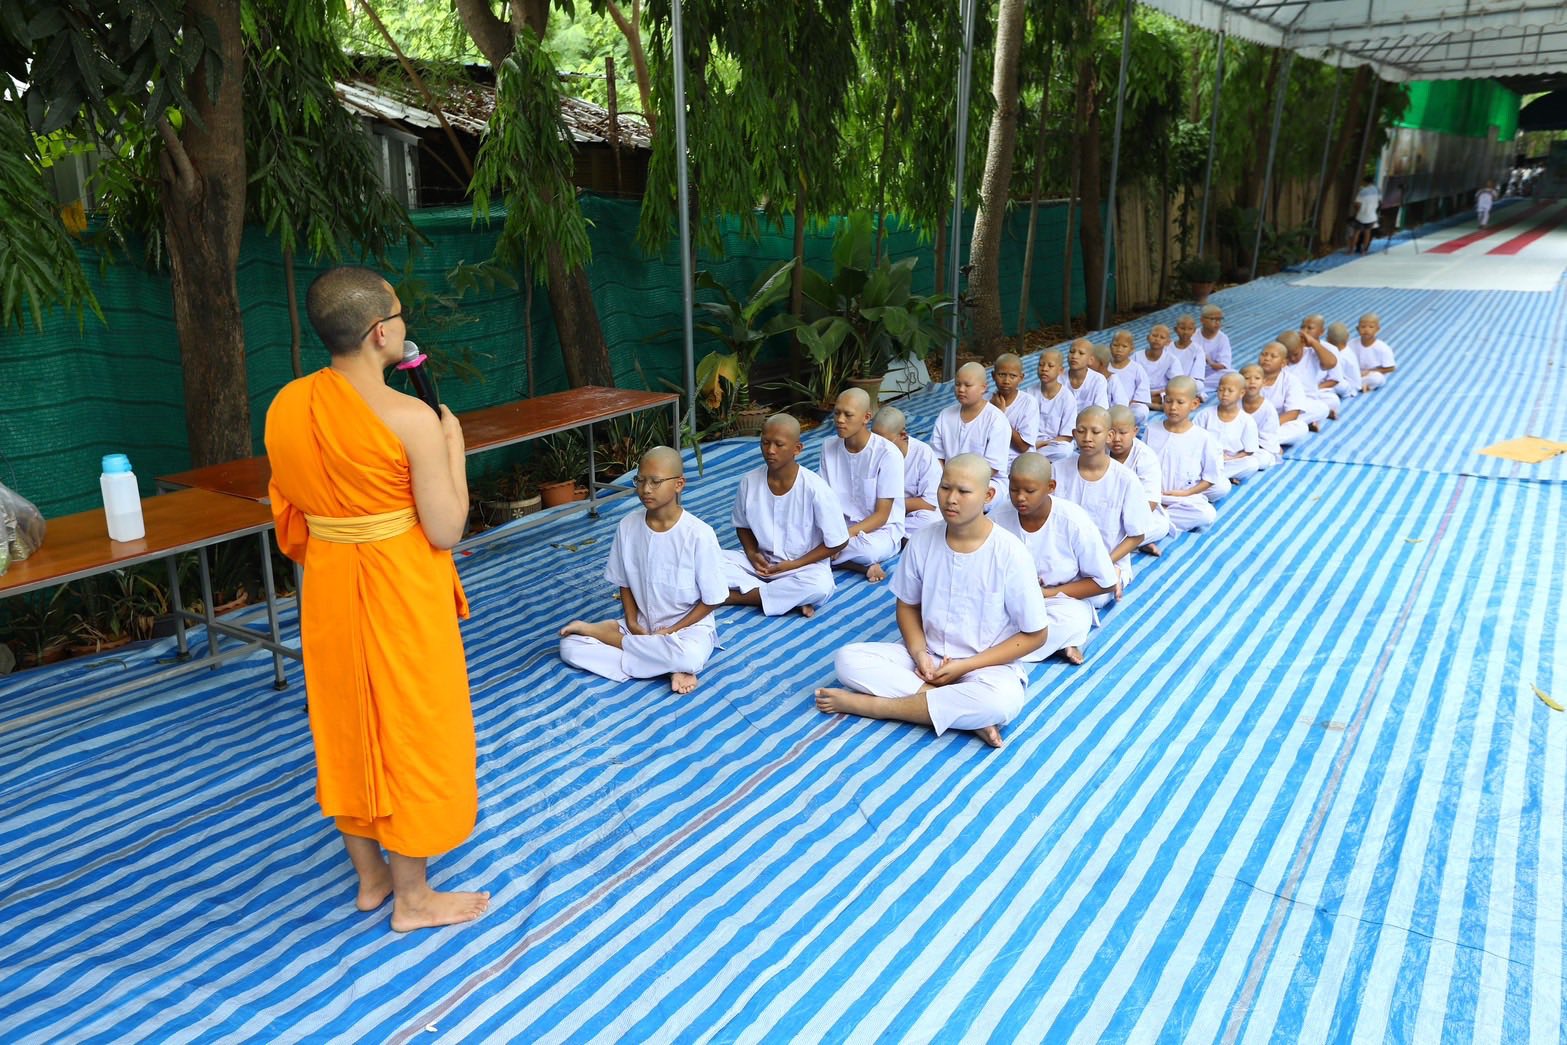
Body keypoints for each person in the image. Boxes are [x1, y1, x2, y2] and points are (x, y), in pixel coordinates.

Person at [265, 265, 488, 932]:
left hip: (330, 581)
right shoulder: (410, 417)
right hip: (397, 584)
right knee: (409, 723)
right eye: (399, 315)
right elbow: (446, 526)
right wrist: (453, 449)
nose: (404, 325)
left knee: (346, 721)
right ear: (378, 332)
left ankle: (370, 877)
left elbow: (292, 506)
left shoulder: (285, 405)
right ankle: (413, 897)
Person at [813, 454, 1049, 749]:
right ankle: (955, 714)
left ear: (988, 495)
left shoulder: (1011, 553)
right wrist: (920, 653)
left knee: (1002, 704)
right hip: (925, 659)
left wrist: (966, 666)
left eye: (963, 492)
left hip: (985, 666)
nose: (951, 499)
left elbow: (1037, 634)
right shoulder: (922, 540)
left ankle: (871, 706)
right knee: (847, 660)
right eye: (945, 488)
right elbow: (908, 605)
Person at [560, 446, 728, 694]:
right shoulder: (627, 526)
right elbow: (624, 581)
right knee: (570, 647)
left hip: (688, 632)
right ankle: (664, 663)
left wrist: (673, 630)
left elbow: (713, 600)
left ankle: (617, 641)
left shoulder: (699, 534)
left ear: (679, 484)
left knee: (690, 657)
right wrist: (631, 620)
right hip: (641, 625)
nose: (646, 489)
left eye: (655, 481)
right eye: (640, 480)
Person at [992, 453, 1118, 666]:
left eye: (1029, 491)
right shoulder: (997, 519)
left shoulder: (1073, 521)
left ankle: (996, 652)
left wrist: (1046, 593)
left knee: (1072, 620)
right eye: (1014, 490)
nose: (1020, 497)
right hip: (1010, 600)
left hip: (1059, 600)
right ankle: (1047, 646)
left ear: (1051, 486)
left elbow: (1105, 583)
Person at [723, 414, 849, 617]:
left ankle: (737, 597)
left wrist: (795, 564)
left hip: (802, 568)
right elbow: (742, 525)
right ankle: (786, 600)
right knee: (709, 560)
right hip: (761, 565)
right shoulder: (749, 481)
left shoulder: (815, 488)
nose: (770, 450)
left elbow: (839, 542)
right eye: (765, 443)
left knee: (820, 586)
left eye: (779, 445)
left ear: (797, 449)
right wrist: (752, 554)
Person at [1053, 406, 1148, 605]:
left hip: (1107, 558)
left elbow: (1137, 534)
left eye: (1095, 432)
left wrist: (1106, 562)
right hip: (1062, 555)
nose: (1087, 437)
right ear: (1073, 434)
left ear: (1109, 435)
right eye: (1081, 431)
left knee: (1096, 599)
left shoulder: (1125, 480)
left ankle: (1114, 573)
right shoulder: (1057, 470)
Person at [819, 388, 905, 583]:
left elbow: (882, 516)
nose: (840, 420)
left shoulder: (888, 454)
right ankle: (854, 564)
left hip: (879, 531)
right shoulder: (828, 447)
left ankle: (824, 557)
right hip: (839, 527)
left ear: (866, 417)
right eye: (836, 413)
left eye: (848, 415)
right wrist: (831, 534)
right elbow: (824, 501)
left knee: (867, 551)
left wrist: (841, 540)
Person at [1145, 376, 1225, 531]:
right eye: (1168, 401)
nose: (1173, 407)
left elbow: (1209, 478)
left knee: (1206, 514)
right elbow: (1141, 465)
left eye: (1180, 402)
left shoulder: (1203, 438)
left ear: (1194, 404)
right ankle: (1157, 522)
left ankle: (1156, 522)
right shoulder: (1151, 429)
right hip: (1153, 496)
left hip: (1184, 498)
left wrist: (1185, 493)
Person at [930, 361, 1012, 498]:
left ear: (983, 388)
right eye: (957, 384)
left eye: (967, 385)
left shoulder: (996, 419)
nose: (961, 389)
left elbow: (992, 468)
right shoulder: (945, 415)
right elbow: (937, 457)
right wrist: (947, 482)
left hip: (986, 482)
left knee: (969, 499)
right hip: (948, 480)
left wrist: (959, 484)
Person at [1106, 405, 1172, 556]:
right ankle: (1132, 545)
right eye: (1111, 433)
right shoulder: (1100, 450)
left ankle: (1123, 546)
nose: (1116, 438)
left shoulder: (1145, 457)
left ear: (1135, 431)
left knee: (1161, 525)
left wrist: (1120, 521)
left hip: (1133, 515)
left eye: (1123, 433)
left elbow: (1151, 502)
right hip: (1103, 510)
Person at [872, 405, 941, 541]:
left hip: (906, 513)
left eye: (884, 442)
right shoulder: (870, 451)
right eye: (874, 440)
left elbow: (929, 503)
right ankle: (893, 536)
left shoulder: (923, 453)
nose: (878, 446)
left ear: (903, 435)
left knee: (934, 520)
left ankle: (891, 535)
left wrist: (889, 507)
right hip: (873, 513)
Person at [1196, 372, 1263, 486]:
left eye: (1230, 391)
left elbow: (1249, 451)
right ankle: (1218, 478)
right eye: (1221, 389)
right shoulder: (1205, 414)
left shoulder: (1247, 420)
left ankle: (1211, 479)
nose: (1224, 394)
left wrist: (1227, 458)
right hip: (1206, 460)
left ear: (1241, 393)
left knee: (1253, 463)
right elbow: (1193, 440)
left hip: (1230, 461)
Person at [1256, 341, 1313, 446]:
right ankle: (1264, 443)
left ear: (1283, 363)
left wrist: (1267, 426)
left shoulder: (1291, 380)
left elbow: (1293, 413)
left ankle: (1258, 442)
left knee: (1300, 427)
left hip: (1276, 424)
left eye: (1273, 356)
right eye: (1264, 354)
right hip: (1249, 423)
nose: (1267, 358)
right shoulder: (1248, 376)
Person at [989, 352, 1039, 466]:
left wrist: (1000, 415)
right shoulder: (985, 400)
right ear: (993, 376)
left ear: (1021, 378)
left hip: (1020, 462)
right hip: (993, 460)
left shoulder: (1029, 403)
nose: (1006, 381)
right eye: (1001, 374)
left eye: (1012, 376)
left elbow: (1023, 447)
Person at [1278, 330, 1336, 427]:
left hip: (1307, 402)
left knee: (1323, 408)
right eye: (1288, 355)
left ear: (1302, 344)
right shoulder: (1278, 360)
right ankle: (1294, 423)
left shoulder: (1311, 353)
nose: (1292, 358)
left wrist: (1313, 342)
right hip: (1285, 402)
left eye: (1295, 354)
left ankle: (1286, 423)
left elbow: (1331, 363)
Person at [1032, 348, 1078, 461]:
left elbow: (1067, 436)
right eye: (1041, 365)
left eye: (1050, 366)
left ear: (1060, 370)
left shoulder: (1067, 397)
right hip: (1031, 443)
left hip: (1054, 445)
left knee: (1065, 450)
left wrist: (1043, 444)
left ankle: (1032, 458)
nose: (1044, 369)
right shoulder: (1028, 393)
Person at [1240, 364, 1284, 469]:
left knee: (1263, 460)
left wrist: (1247, 450)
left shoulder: (1268, 409)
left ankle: (1238, 467)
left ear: (1264, 382)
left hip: (1258, 448)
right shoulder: (1233, 404)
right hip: (1234, 447)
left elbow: (1268, 437)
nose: (1252, 381)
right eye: (1247, 378)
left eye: (1257, 378)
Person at [1106, 330, 1152, 427]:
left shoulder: (1136, 368)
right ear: (1110, 346)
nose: (1119, 349)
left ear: (1132, 349)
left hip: (1130, 407)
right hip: (1108, 406)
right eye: (1115, 345)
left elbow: (1142, 392)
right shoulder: (1105, 366)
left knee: (1142, 411)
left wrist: (1129, 405)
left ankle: (1124, 423)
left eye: (1124, 346)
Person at [1136, 323, 1182, 414]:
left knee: (1174, 395)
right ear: (1147, 337)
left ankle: (1148, 403)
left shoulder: (1171, 359)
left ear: (1168, 342)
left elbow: (1177, 382)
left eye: (1162, 337)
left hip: (1160, 393)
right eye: (1154, 335)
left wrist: (1160, 392)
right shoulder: (1136, 356)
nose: (1157, 339)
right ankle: (1155, 406)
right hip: (1141, 391)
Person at [1192, 305, 1234, 395]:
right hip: (1193, 375)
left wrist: (1210, 361)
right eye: (1213, 319)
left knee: (1233, 375)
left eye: (1220, 320)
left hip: (1212, 375)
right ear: (1202, 320)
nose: (1217, 323)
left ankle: (1195, 390)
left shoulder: (1223, 338)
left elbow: (1224, 365)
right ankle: (1195, 389)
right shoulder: (1193, 336)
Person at [1353, 313, 1396, 391]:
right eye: (1363, 327)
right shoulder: (1350, 344)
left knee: (1377, 379)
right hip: (1354, 373)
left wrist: (1369, 371)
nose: (1366, 330)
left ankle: (1356, 386)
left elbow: (1391, 368)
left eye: (1371, 327)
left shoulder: (1383, 348)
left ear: (1377, 329)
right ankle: (1360, 386)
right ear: (1357, 329)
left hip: (1372, 374)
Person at [1065, 338, 1110, 412]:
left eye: (1081, 353)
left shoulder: (1098, 380)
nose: (1074, 356)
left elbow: (1101, 411)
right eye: (1072, 352)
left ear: (1090, 360)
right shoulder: (1057, 378)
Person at [1323, 320, 1362, 403]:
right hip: (1352, 383)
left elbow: (1336, 378)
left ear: (1328, 339)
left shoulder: (1341, 357)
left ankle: (1344, 394)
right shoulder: (1347, 350)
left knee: (1335, 385)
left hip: (1350, 387)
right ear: (1348, 337)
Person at [1168, 314, 1207, 391]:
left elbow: (1197, 373)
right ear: (1175, 329)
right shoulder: (1168, 348)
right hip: (1171, 381)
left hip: (1189, 382)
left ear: (1194, 330)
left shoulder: (1198, 349)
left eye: (1190, 329)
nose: (1186, 332)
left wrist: (1185, 383)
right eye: (1182, 328)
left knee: (1199, 385)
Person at [1351, 174, 1381, 254]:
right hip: (1372, 216)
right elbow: (1379, 202)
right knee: (1367, 233)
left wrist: (1357, 211)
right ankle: (1364, 251)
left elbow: (1357, 204)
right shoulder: (1377, 190)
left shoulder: (1363, 191)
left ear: (1365, 182)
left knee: (1356, 232)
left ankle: (1351, 251)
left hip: (1361, 215)